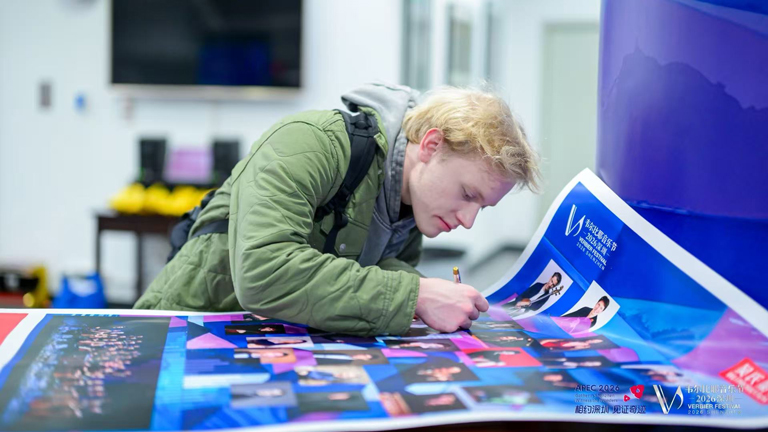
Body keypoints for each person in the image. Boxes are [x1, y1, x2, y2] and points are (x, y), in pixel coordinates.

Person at [134, 83, 540, 336]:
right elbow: (263, 273)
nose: (467, 221)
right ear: (431, 146)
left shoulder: (414, 205)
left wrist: (426, 291)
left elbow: (372, 273)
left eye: (481, 208)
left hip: (265, 344)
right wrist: (414, 294)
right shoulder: (309, 142)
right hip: (183, 330)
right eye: (468, 193)